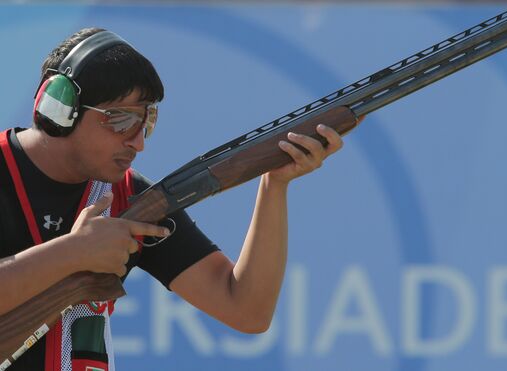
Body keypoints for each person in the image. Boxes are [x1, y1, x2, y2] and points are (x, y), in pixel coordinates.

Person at [0, 27, 344, 371]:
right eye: (121, 121)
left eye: (147, 121)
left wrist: (275, 184)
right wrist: (73, 253)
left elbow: (247, 310)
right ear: (60, 107)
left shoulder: (129, 198)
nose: (138, 143)